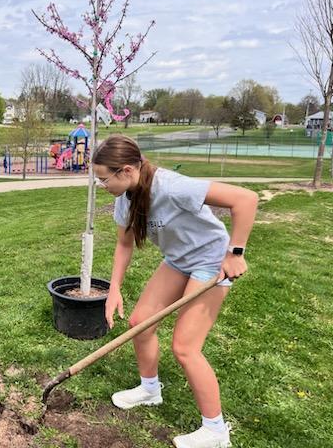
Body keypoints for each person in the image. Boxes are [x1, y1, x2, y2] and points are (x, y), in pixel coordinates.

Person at [92, 135, 258, 448]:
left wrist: (235, 253)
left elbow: (245, 199)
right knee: (140, 323)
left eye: (103, 179)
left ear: (126, 171)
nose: (102, 185)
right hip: (179, 261)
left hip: (210, 261)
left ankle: (216, 431)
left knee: (185, 347)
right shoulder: (126, 199)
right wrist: (114, 288)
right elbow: (124, 244)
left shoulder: (171, 186)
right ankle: (150, 389)